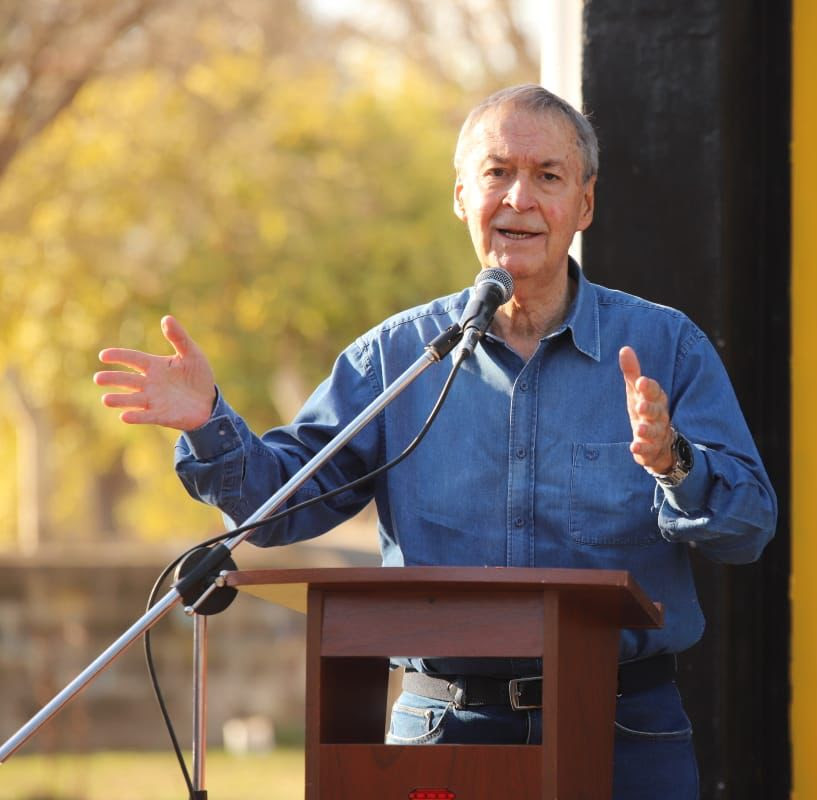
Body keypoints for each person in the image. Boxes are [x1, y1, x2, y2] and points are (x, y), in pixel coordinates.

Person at [94, 84, 776, 799]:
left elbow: (750, 528)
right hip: (441, 727)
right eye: (496, 172)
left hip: (624, 733)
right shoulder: (398, 357)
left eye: (548, 176)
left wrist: (674, 462)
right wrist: (209, 423)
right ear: (460, 196)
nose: (519, 197)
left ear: (585, 205)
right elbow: (283, 504)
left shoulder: (667, 347)